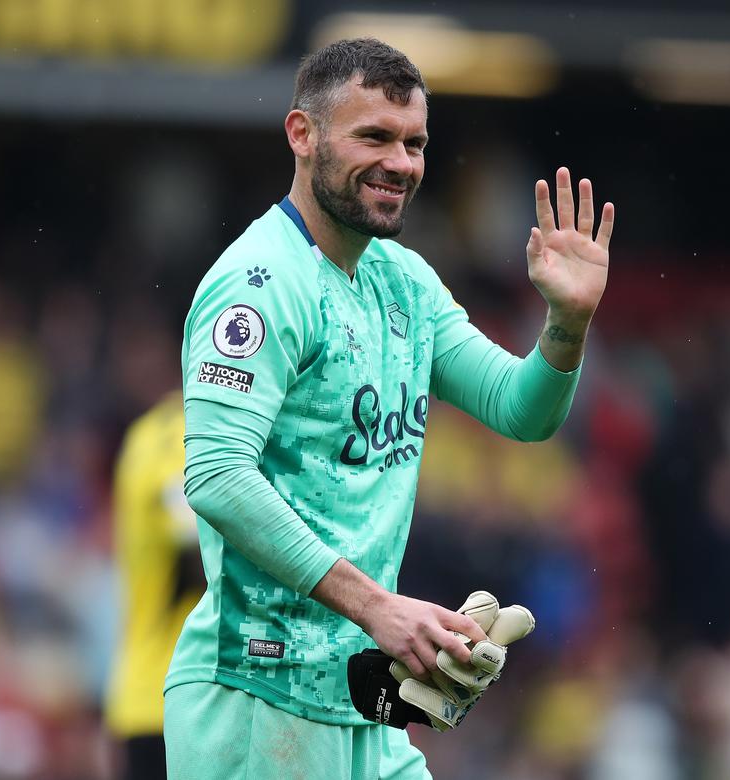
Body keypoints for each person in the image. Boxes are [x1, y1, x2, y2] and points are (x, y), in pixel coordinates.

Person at [163, 37, 614, 780]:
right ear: (302, 136)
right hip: (256, 700)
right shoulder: (260, 282)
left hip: (361, 707)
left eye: (414, 143)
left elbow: (519, 410)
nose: (401, 163)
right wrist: (378, 607)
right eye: (374, 136)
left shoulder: (404, 281)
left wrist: (567, 323)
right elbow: (215, 475)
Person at [104, 391, 203, 779]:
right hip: (169, 700)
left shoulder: (149, 431)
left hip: (173, 698)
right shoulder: (176, 433)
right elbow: (197, 540)